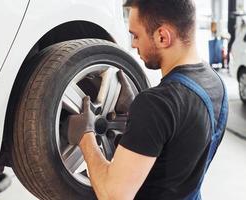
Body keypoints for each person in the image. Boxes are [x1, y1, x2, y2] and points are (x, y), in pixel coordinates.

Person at [67, 0, 228, 199]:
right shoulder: (216, 84)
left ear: (162, 36)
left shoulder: (156, 104)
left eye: (136, 35)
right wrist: (139, 119)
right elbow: (178, 145)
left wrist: (86, 137)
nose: (133, 44)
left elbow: (112, 195)